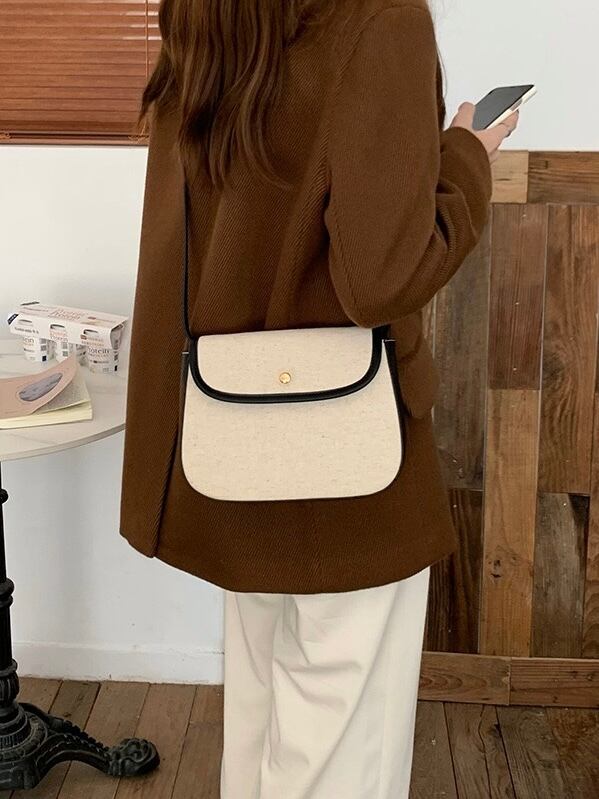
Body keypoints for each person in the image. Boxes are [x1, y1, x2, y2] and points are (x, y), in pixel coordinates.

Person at [119, 0, 519, 796]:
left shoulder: (211, 14)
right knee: (341, 748)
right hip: (348, 458)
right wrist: (466, 158)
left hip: (229, 438)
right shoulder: (377, 20)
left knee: (264, 718)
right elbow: (383, 278)